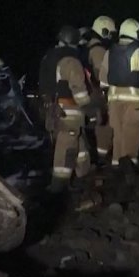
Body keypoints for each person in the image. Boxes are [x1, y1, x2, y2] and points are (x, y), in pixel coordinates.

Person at [38, 26, 94, 190]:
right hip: (69, 109)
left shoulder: (49, 57)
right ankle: (59, 186)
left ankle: (83, 175)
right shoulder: (71, 60)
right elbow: (78, 88)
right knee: (67, 147)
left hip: (53, 109)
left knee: (79, 145)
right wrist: (89, 107)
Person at [98, 18, 139, 164]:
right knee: (131, 134)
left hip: (113, 101)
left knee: (118, 134)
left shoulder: (109, 52)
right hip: (134, 101)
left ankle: (116, 164)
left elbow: (103, 80)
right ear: (136, 33)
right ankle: (129, 167)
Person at [85, 15, 116, 163]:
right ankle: (101, 158)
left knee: (94, 125)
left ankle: (97, 156)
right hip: (97, 93)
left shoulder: (89, 47)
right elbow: (100, 74)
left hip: (90, 92)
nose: (111, 37)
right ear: (103, 32)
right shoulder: (98, 50)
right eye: (110, 33)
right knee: (104, 126)